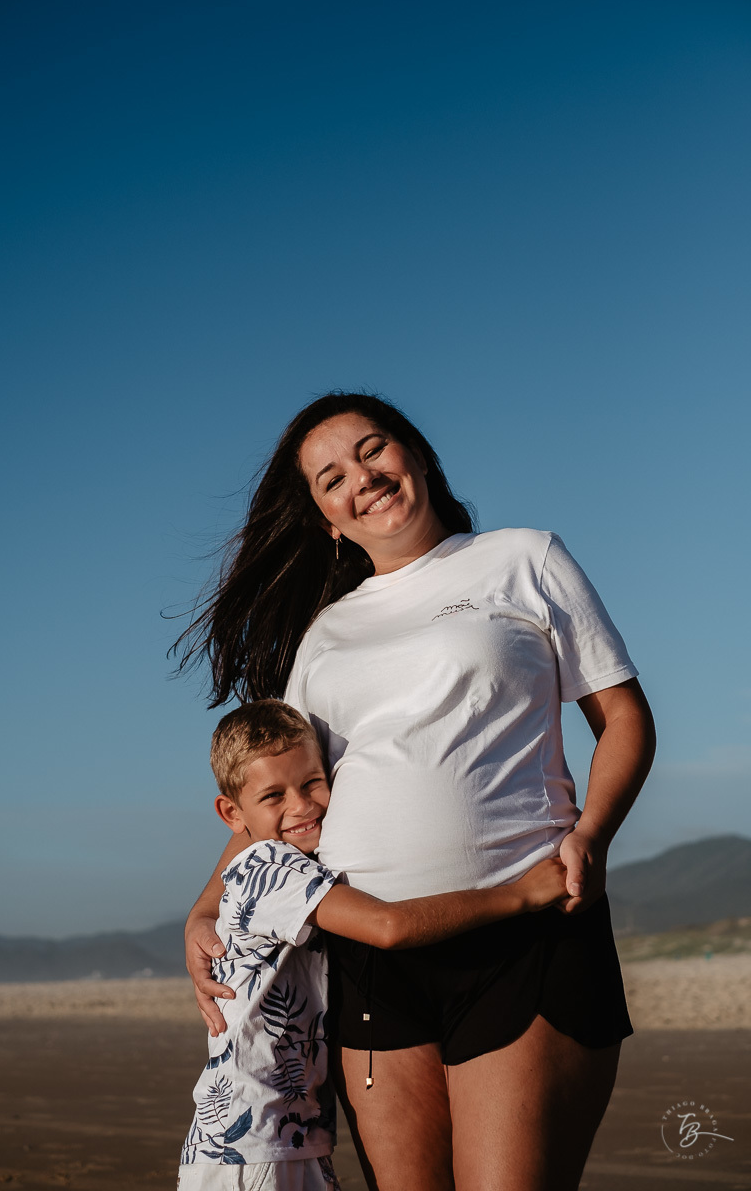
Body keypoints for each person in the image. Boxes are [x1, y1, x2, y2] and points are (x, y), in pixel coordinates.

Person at [174, 391, 656, 1191]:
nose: (361, 478)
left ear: (417, 455)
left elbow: (625, 717)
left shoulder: (522, 558)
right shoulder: (326, 635)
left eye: (373, 450)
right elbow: (284, 800)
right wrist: (205, 906)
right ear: (328, 519)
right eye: (332, 479)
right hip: (368, 963)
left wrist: (590, 836)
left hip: (526, 926)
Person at [180, 698, 569, 1191]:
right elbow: (388, 926)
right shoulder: (269, 871)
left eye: (312, 783)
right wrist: (520, 894)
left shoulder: (287, 862)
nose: (300, 805)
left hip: (285, 1133)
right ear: (232, 814)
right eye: (273, 796)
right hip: (248, 1144)